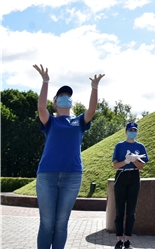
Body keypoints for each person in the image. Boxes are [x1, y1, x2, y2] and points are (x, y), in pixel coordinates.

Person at [32, 64, 104, 249]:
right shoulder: (50, 121)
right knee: (47, 223)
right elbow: (41, 107)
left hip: (72, 176)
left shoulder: (79, 121)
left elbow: (92, 110)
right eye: (62, 97)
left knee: (61, 223)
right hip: (47, 176)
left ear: (71, 103)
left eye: (68, 97)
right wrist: (45, 82)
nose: (66, 98)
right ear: (55, 103)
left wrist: (94, 88)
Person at [112, 122, 149, 249]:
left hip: (134, 176)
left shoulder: (140, 146)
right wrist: (126, 161)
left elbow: (142, 166)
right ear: (126, 131)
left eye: (135, 130)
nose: (133, 131)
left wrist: (135, 160)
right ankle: (118, 240)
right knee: (119, 210)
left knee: (131, 211)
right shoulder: (119, 146)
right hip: (121, 176)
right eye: (130, 130)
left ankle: (127, 239)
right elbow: (115, 165)